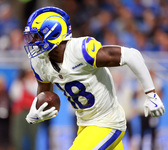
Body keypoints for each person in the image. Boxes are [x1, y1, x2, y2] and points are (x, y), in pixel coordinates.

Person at [23, 6, 165, 150]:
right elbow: (44, 96)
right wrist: (34, 113)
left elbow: (132, 55)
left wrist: (151, 94)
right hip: (85, 125)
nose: (32, 42)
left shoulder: (80, 51)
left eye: (37, 36)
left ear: (54, 34)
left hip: (108, 123)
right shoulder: (40, 62)